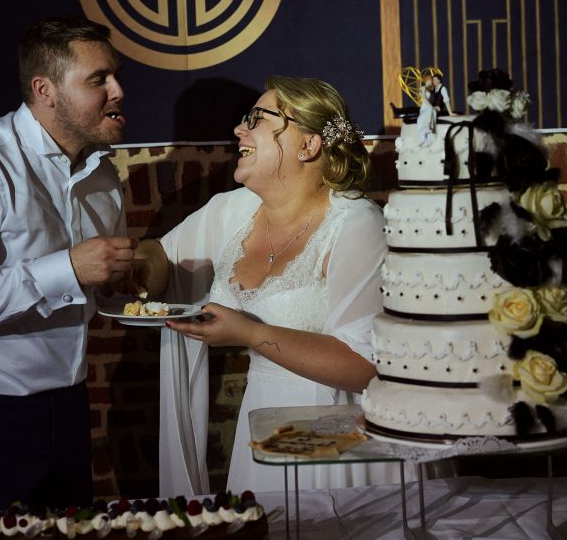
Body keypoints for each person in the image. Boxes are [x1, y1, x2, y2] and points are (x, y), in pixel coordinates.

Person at [137, 76, 398, 494]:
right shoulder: (231, 211)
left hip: (341, 437)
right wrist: (129, 264)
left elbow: (365, 365)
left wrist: (250, 334)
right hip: (262, 427)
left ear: (308, 145)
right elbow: (162, 259)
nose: (239, 130)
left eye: (257, 119)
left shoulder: (356, 224)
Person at [0, 16, 135, 507]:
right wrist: (70, 269)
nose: (118, 90)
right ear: (46, 90)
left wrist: (124, 280)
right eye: (98, 79)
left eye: (115, 75)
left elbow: (98, 284)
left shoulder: (101, 172)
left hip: (69, 404)